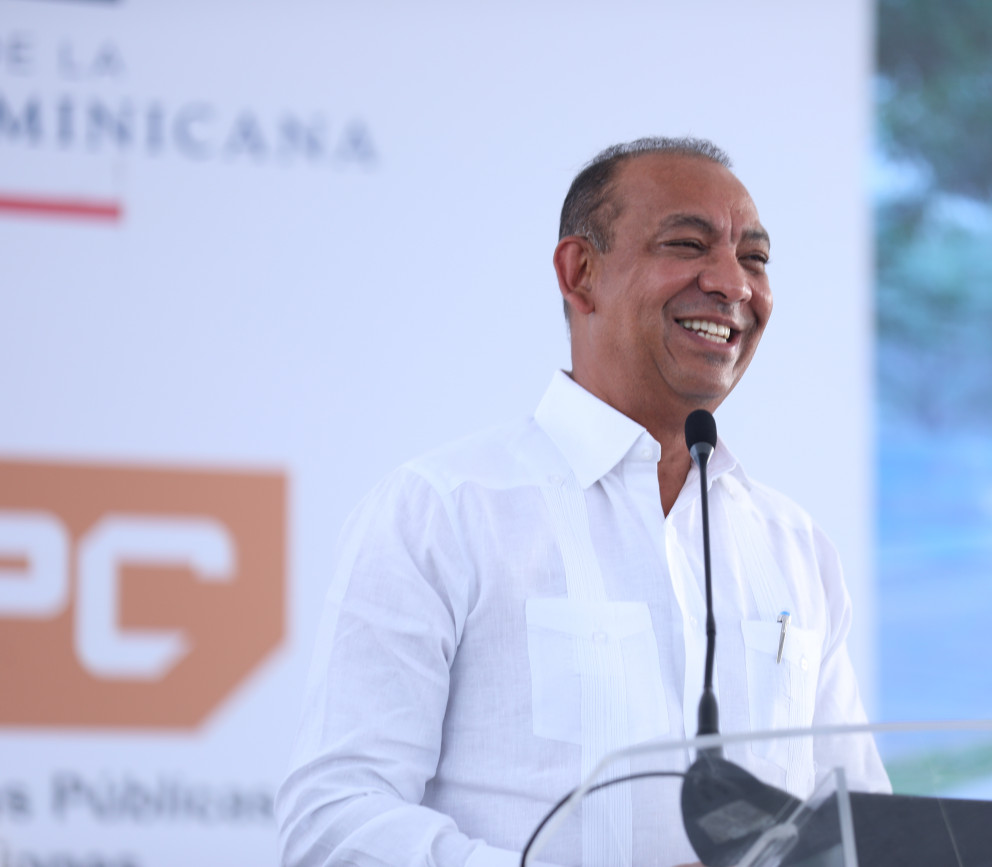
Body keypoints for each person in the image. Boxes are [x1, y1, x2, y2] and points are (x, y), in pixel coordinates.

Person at [276, 137, 889, 867]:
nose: (733, 283)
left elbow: (859, 828)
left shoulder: (796, 546)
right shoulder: (443, 512)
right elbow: (333, 820)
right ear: (580, 273)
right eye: (688, 244)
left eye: (754, 258)